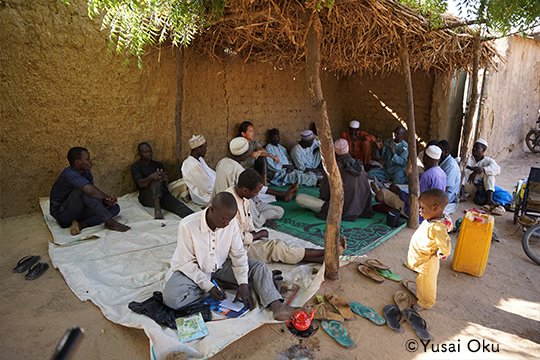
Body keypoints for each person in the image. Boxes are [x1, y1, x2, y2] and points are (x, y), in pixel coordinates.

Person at [162, 192, 302, 320]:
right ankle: (219, 284)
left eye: (230, 220)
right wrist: (209, 287)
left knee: (258, 267)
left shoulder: (230, 222)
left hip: (218, 266)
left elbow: (238, 254)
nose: (227, 224)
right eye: (223, 219)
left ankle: (278, 307)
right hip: (195, 270)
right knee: (171, 298)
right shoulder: (188, 225)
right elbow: (187, 264)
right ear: (211, 210)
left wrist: (243, 284)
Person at [227, 169, 343, 264]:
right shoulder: (229, 204)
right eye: (256, 192)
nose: (257, 195)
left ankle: (323, 256)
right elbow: (236, 239)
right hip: (236, 250)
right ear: (245, 190)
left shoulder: (244, 197)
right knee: (277, 249)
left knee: (279, 245)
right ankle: (325, 254)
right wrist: (258, 234)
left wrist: (255, 234)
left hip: (248, 239)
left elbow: (248, 223)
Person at [212, 137, 296, 227]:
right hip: (236, 205)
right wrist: (262, 221)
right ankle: (255, 219)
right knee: (279, 211)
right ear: (243, 155)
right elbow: (247, 195)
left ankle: (255, 217)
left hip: (221, 202)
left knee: (275, 208)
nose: (250, 152)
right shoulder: (239, 170)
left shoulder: (222, 161)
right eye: (248, 151)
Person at [50, 147, 130, 235]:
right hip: (63, 214)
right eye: (87, 159)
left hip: (78, 210)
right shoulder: (69, 173)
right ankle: (109, 222)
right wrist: (107, 196)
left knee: (114, 208)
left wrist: (106, 201)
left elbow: (92, 197)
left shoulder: (86, 173)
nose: (91, 161)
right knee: (83, 191)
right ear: (78, 162)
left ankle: (80, 225)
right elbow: (90, 191)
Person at [296, 139, 374, 221]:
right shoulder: (359, 165)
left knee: (300, 198)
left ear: (334, 150)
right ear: (348, 149)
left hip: (340, 210)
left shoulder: (333, 168)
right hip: (362, 207)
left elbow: (324, 195)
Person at [371, 145, 447, 222]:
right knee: (404, 190)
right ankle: (386, 188)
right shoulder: (442, 174)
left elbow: (415, 201)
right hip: (432, 212)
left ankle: (379, 191)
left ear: (425, 159)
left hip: (419, 213)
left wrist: (398, 192)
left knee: (384, 193)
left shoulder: (425, 176)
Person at [405, 188, 452, 311]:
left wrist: (441, 253)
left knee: (426, 283)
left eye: (422, 208)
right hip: (422, 258)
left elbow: (446, 247)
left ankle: (425, 302)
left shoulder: (438, 228)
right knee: (421, 280)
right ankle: (421, 291)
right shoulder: (431, 220)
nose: (420, 211)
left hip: (428, 261)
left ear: (435, 208)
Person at [131, 142, 193, 220]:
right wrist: (151, 177)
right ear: (139, 154)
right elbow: (140, 184)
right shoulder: (136, 167)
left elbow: (165, 183)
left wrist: (165, 179)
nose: (149, 154)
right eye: (145, 152)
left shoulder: (158, 165)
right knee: (155, 180)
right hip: (148, 197)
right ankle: (157, 210)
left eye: (150, 151)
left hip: (162, 195)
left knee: (179, 206)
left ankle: (198, 218)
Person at [462, 139, 504, 215]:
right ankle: (462, 195)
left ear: (483, 150)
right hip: (467, 185)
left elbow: (497, 169)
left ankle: (489, 200)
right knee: (461, 171)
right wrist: (472, 168)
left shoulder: (488, 161)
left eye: (477, 148)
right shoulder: (467, 158)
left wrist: (482, 170)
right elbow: (458, 162)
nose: (473, 149)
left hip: (479, 189)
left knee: (490, 175)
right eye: (473, 147)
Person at [238, 121, 279, 185]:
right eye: (250, 131)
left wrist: (259, 152)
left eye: (253, 131)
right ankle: (263, 183)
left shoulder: (254, 143)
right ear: (243, 133)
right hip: (243, 170)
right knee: (261, 157)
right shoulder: (239, 144)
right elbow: (251, 153)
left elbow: (263, 151)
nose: (253, 134)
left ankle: (264, 181)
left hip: (254, 170)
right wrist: (271, 155)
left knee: (261, 158)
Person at [181, 135, 216, 206]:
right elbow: (206, 186)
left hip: (210, 189)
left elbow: (211, 173)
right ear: (197, 150)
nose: (206, 150)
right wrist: (219, 187)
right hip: (203, 196)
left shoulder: (199, 159)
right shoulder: (191, 164)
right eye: (204, 148)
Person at [437, 140, 460, 215]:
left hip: (447, 194)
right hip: (441, 190)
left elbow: (446, 187)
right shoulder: (442, 161)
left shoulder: (450, 165)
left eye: (439, 149)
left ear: (446, 152)